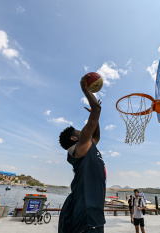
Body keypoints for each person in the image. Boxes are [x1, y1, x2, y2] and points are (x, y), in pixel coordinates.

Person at [58, 74, 106, 233]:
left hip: (95, 213)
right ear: (74, 137)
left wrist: (95, 117)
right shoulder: (79, 147)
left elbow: (97, 136)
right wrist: (85, 88)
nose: (83, 131)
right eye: (80, 131)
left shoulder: (88, 146)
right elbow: (97, 110)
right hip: (85, 214)